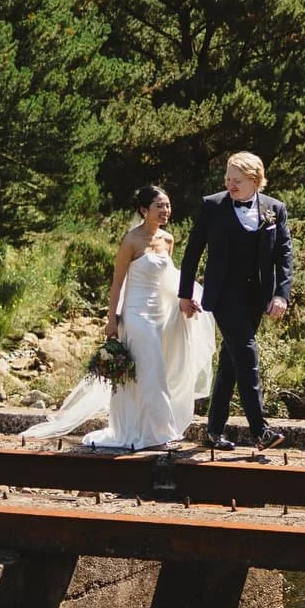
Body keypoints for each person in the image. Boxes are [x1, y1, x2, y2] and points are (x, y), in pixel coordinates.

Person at [21, 184, 212, 448]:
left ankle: (143, 429)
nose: (165, 210)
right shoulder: (131, 241)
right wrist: (112, 319)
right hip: (135, 314)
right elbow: (117, 283)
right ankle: (161, 432)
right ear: (144, 210)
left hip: (161, 314)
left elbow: (169, 279)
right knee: (152, 370)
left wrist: (184, 300)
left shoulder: (168, 240)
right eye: (159, 206)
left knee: (152, 371)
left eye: (167, 205)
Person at [178, 152, 294, 452]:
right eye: (227, 178)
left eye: (237, 180)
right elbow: (193, 252)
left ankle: (214, 430)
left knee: (231, 362)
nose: (230, 184)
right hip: (223, 294)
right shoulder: (212, 205)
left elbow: (284, 254)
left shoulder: (274, 209)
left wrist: (281, 294)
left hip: (257, 297)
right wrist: (185, 293)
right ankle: (261, 430)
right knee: (247, 353)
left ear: (255, 181)